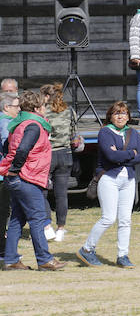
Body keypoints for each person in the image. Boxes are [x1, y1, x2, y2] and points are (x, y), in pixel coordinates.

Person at [0, 90, 66, 271]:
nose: (46, 109)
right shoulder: (33, 125)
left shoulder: (18, 123)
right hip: (26, 177)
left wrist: (11, 170)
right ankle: (45, 259)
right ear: (37, 108)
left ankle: (11, 260)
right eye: (44, 105)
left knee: (17, 219)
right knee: (38, 218)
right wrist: (15, 170)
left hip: (16, 177)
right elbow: (22, 150)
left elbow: (8, 147)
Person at [77, 101, 140, 268]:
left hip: (128, 180)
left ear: (128, 116)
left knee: (125, 220)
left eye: (123, 113)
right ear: (110, 116)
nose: (120, 116)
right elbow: (111, 157)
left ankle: (123, 255)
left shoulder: (133, 132)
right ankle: (87, 249)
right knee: (108, 218)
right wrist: (131, 153)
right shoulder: (105, 132)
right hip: (109, 179)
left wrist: (122, 153)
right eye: (116, 113)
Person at [40, 83, 80, 243]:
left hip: (47, 154)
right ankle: (61, 228)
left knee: (41, 192)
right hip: (65, 154)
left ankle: (47, 226)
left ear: (47, 97)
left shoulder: (43, 112)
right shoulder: (69, 111)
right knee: (61, 194)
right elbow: (74, 134)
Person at [0, 92, 21, 264]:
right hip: (2, 175)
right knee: (3, 212)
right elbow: (8, 145)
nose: (19, 109)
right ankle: (2, 249)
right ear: (7, 107)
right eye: (16, 106)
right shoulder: (5, 123)